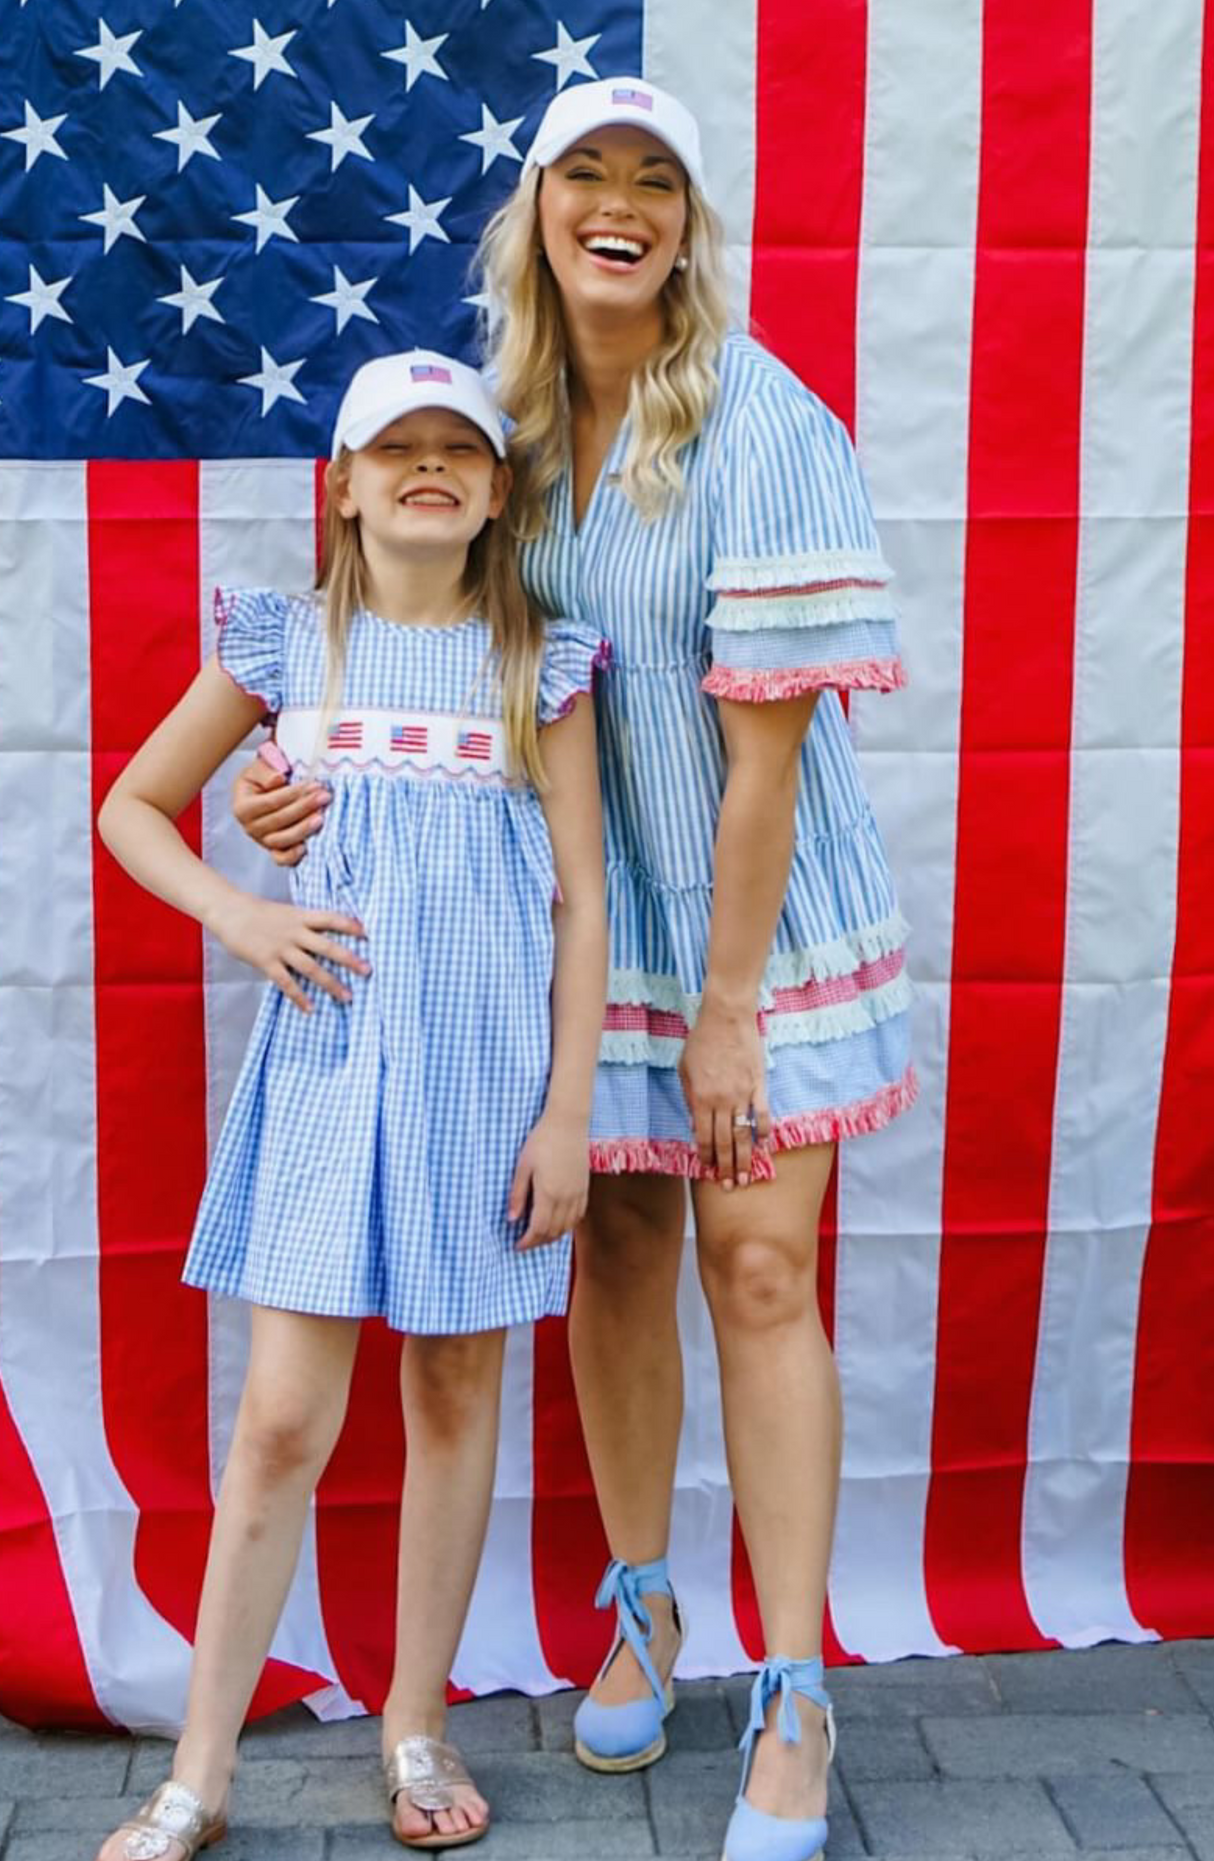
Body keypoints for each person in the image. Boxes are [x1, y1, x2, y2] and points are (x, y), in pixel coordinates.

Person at [236, 79, 915, 1861]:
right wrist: (293, 780)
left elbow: (763, 764)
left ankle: (791, 1685)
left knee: (757, 1267)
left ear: (692, 222)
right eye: (584, 177)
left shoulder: (760, 422)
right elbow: (410, 639)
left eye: (655, 183)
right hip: (560, 921)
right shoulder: (501, 420)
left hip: (747, 931)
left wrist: (728, 1011)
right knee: (613, 1252)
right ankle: (640, 1603)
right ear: (535, 209)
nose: (619, 206)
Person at [94, 350, 607, 1859]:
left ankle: (414, 1722)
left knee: (454, 1393)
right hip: (330, 1070)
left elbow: (581, 896)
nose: (429, 468)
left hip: (482, 1080)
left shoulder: (541, 665)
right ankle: (199, 1769)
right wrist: (240, 915)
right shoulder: (285, 645)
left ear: (499, 490)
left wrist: (565, 1109)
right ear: (346, 483)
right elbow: (133, 803)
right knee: (277, 1420)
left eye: (462, 449)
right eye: (398, 450)